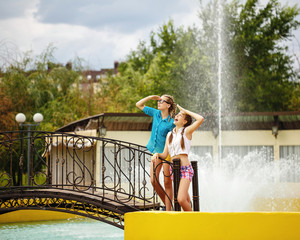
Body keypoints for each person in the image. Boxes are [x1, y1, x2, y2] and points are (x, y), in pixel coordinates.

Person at [151, 105, 204, 211]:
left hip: (185, 169)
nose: (177, 115)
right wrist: (157, 154)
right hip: (174, 170)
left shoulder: (187, 131)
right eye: (178, 114)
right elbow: (165, 154)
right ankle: (187, 221)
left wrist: (185, 111)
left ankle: (194, 221)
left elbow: (200, 119)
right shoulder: (169, 134)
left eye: (181, 115)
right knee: (185, 199)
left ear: (184, 122)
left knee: (181, 199)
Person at [136, 95, 176, 211]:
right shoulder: (156, 113)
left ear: (168, 105)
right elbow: (139, 104)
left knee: (167, 182)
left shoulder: (171, 123)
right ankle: (169, 206)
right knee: (154, 180)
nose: (159, 102)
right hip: (155, 153)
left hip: (166, 153)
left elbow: (171, 140)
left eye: (162, 101)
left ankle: (168, 209)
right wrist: (150, 97)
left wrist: (166, 155)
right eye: (158, 101)